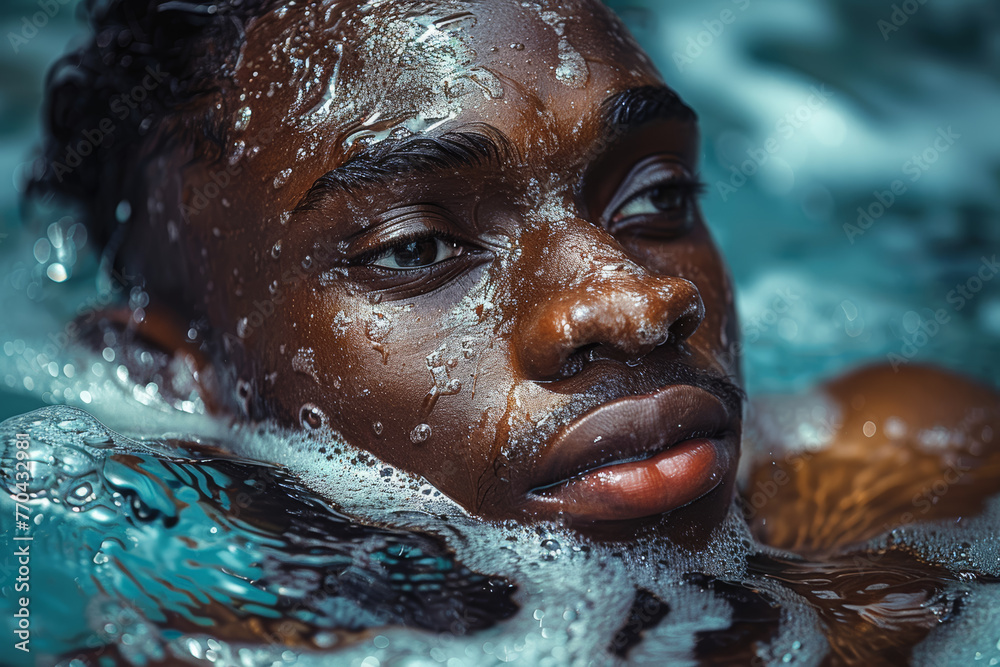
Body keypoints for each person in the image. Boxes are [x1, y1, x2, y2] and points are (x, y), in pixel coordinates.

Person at [22, 6, 1000, 662]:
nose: (635, 300)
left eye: (655, 197)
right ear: (173, 380)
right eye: (416, 250)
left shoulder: (908, 475)